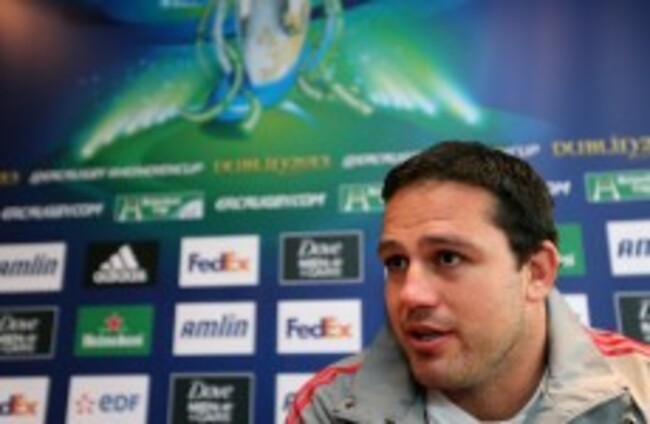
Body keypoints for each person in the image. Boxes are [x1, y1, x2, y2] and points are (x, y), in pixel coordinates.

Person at [287, 141, 650, 423]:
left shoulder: (642, 389)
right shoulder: (328, 409)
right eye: (396, 262)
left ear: (537, 271)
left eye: (448, 257)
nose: (410, 293)